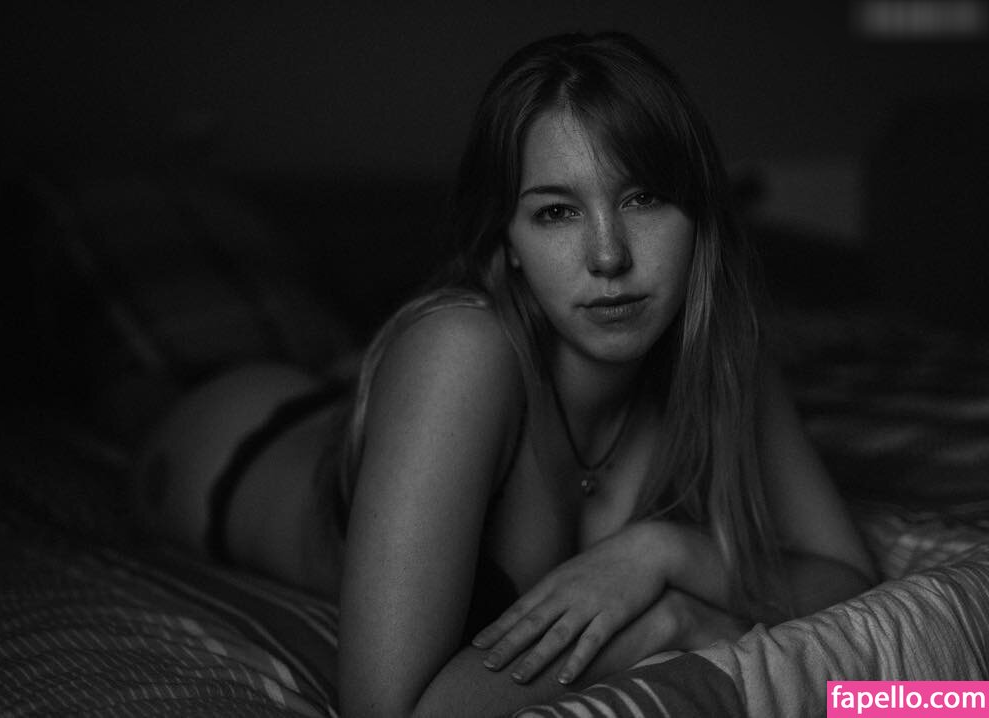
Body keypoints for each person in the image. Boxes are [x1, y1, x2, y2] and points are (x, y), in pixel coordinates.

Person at [134, 31, 876, 718]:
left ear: (700, 214)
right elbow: (385, 712)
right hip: (225, 445)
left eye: (644, 198)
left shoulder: (723, 350)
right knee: (151, 379)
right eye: (556, 213)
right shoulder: (461, 349)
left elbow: (848, 582)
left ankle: (358, 379)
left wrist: (664, 553)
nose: (609, 256)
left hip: (404, 409)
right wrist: (664, 623)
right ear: (509, 240)